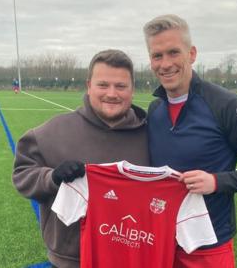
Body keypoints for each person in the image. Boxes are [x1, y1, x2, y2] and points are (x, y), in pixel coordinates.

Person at [143, 14, 237, 267]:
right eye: (157, 55)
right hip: (160, 241)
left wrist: (216, 181)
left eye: (173, 52)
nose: (165, 63)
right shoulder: (155, 110)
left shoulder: (226, 105)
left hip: (208, 245)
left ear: (191, 54)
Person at [12, 49, 149, 268]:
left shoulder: (152, 136)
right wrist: (51, 178)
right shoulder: (52, 132)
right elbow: (22, 174)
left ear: (132, 89)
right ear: (89, 86)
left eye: (121, 86)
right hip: (71, 261)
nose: (112, 94)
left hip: (131, 258)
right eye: (103, 85)